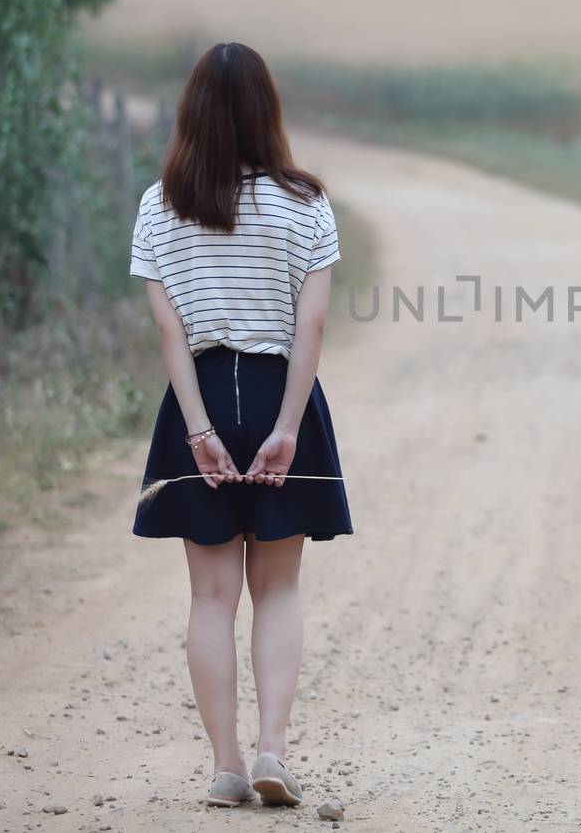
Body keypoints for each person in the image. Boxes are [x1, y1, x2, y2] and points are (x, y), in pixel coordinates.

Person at [128, 41, 352, 808]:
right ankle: (271, 752)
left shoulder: (160, 204)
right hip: (277, 389)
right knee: (279, 588)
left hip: (200, 398)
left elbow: (168, 331)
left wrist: (198, 429)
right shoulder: (307, 202)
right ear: (267, 108)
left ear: (191, 111)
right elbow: (311, 325)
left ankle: (225, 765)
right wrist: (287, 424)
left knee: (211, 596)